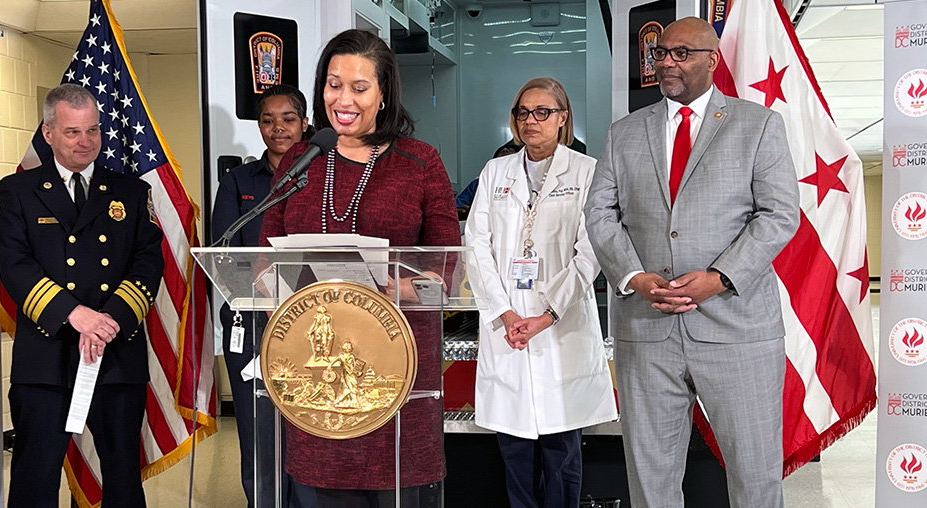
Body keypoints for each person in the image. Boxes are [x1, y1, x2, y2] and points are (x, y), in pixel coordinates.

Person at [583, 18, 800, 508]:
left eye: (681, 53)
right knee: (651, 479)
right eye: (661, 53)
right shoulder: (624, 133)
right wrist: (635, 276)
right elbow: (599, 213)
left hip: (737, 331)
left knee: (755, 475)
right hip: (647, 330)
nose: (666, 62)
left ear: (712, 60)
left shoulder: (758, 124)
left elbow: (780, 214)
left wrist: (720, 278)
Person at [258, 29, 460, 507]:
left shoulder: (420, 163)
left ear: (384, 92)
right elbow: (264, 262)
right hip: (316, 386)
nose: (342, 99)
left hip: (396, 386)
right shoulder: (301, 159)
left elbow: (446, 275)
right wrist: (276, 283)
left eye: (359, 87)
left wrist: (388, 289)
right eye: (333, 84)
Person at [0, 83, 163, 507]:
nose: (85, 141)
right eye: (72, 132)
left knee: (123, 478)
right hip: (46, 357)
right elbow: (15, 265)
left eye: (92, 130)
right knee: (35, 476)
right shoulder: (19, 191)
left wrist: (108, 322)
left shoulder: (130, 190)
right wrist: (75, 315)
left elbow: (147, 262)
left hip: (114, 353)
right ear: (48, 133)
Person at [465, 77, 617, 508]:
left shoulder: (587, 171)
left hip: (560, 325)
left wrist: (547, 313)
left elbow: (591, 252)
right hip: (507, 326)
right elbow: (476, 246)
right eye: (522, 112)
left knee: (561, 450)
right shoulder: (496, 171)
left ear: (563, 117)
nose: (531, 121)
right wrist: (506, 313)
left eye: (542, 112)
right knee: (513, 452)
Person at [210, 83, 311, 508]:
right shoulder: (238, 181)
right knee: (256, 429)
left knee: (308, 427)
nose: (278, 129)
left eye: (288, 119)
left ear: (305, 123)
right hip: (251, 321)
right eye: (268, 120)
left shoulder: (325, 174)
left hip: (312, 322)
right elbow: (223, 250)